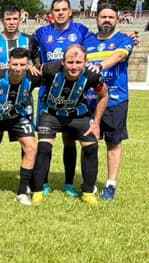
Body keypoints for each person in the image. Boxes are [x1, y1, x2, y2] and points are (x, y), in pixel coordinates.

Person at [31, 45, 108, 206]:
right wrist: (31, 68)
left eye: (78, 62)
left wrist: (97, 123)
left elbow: (104, 95)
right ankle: (38, 190)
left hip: (77, 114)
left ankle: (87, 192)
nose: (74, 66)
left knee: (91, 147)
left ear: (86, 62)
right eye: (70, 62)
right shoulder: (51, 69)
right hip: (51, 113)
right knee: (44, 148)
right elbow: (35, 71)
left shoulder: (92, 75)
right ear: (63, 62)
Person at [32, 0, 91, 196]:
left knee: (69, 140)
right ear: (51, 13)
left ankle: (68, 183)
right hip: (47, 94)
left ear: (70, 11)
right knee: (45, 142)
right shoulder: (41, 32)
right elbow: (32, 52)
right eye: (56, 10)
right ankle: (44, 182)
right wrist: (36, 65)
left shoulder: (81, 31)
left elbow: (96, 44)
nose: (60, 13)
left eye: (64, 9)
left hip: (73, 95)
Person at [0, 6, 36, 191]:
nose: (11, 22)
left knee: (26, 140)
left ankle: (27, 183)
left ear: (20, 20)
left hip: (22, 100)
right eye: (7, 19)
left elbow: (36, 64)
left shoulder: (30, 41)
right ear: (2, 21)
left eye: (14, 19)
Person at [0, 47, 39, 205]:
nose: (18, 69)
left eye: (22, 65)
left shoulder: (34, 76)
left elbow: (55, 69)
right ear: (9, 63)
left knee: (31, 147)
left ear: (27, 65)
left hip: (15, 115)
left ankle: (22, 192)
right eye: (15, 64)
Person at [82, 3, 134, 201]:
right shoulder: (87, 41)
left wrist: (99, 66)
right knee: (89, 142)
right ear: (96, 18)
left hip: (115, 99)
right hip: (90, 100)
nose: (107, 20)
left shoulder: (124, 40)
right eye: (103, 17)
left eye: (111, 17)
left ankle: (111, 184)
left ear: (117, 20)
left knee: (113, 143)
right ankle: (90, 183)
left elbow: (119, 55)